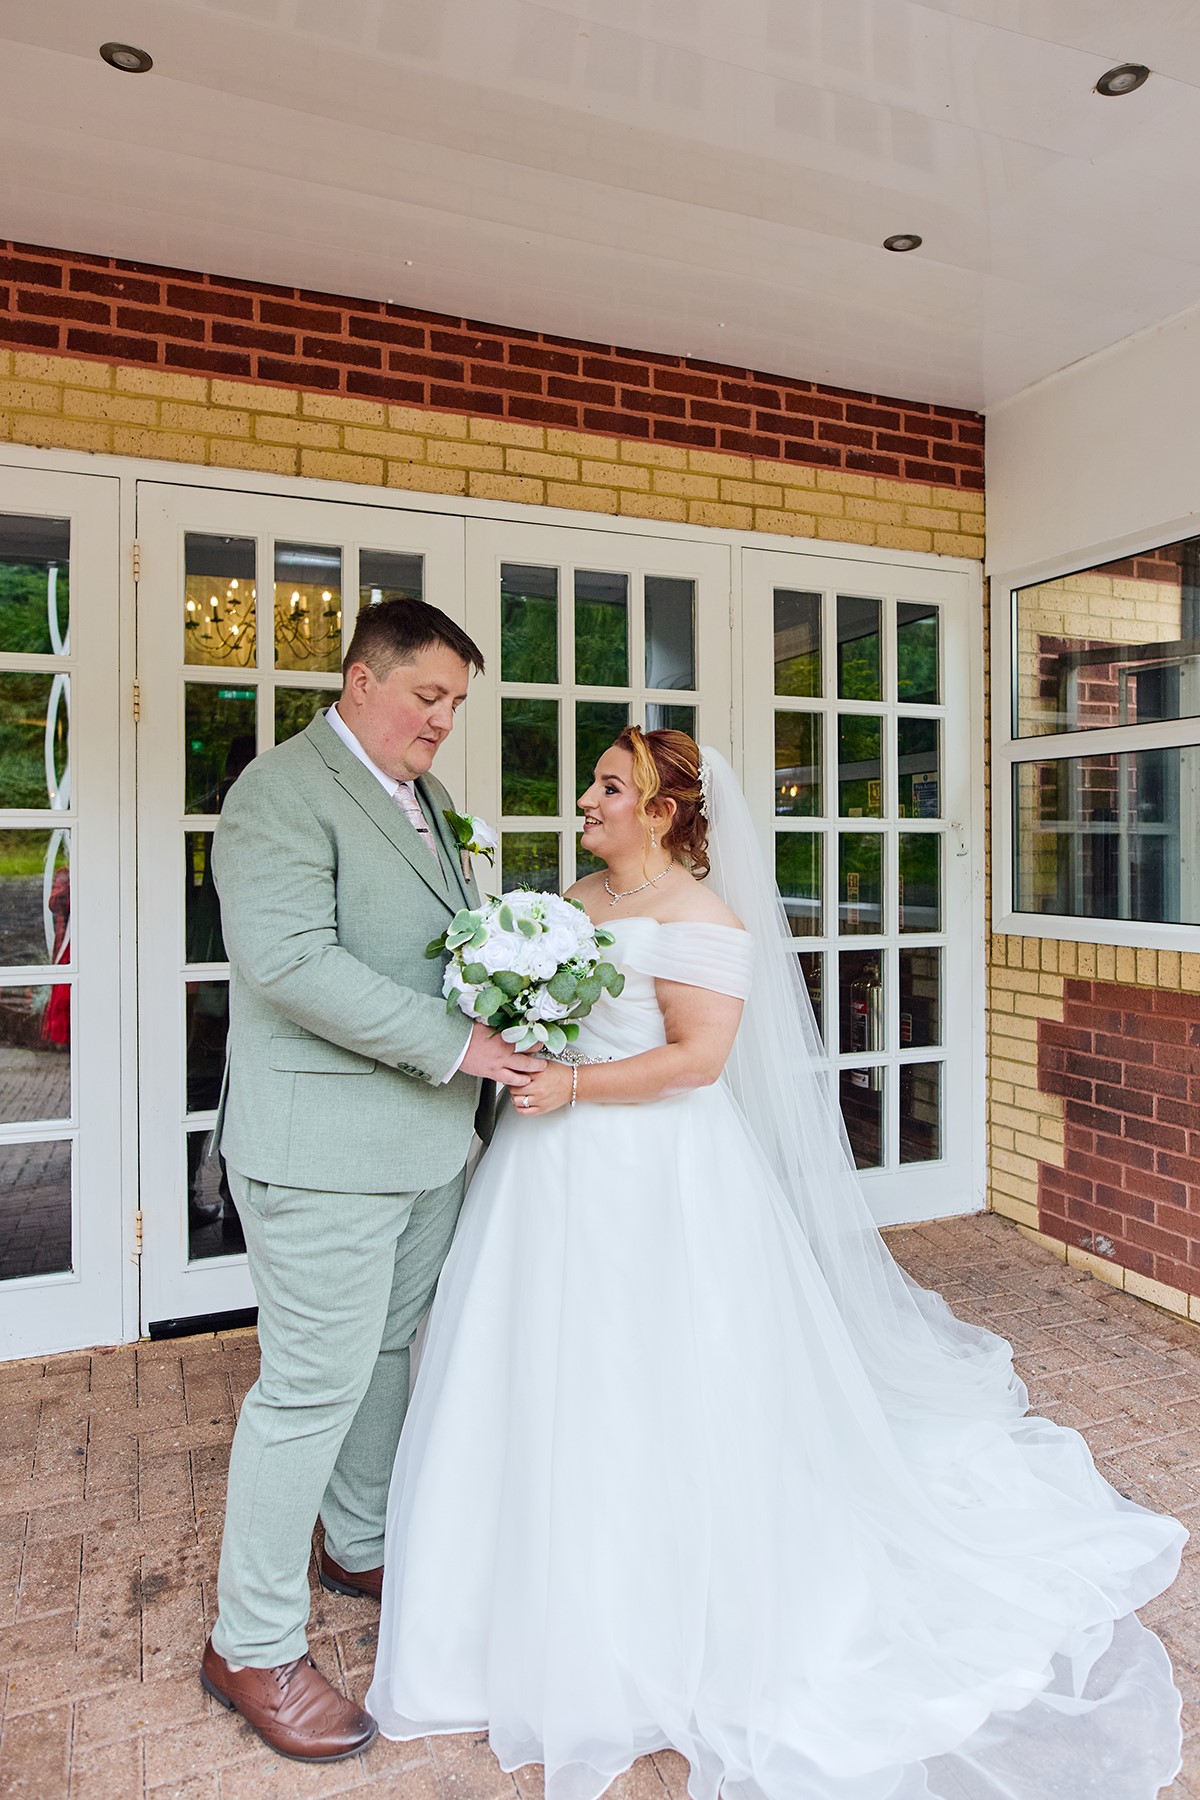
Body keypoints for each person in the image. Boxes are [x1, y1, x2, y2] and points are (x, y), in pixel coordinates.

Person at [366, 726, 1186, 1800]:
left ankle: (656, 1606)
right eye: (594, 785)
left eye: (610, 787)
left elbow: (697, 1061)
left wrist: (572, 1086)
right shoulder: (575, 897)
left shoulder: (705, 922)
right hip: (542, 1172)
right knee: (532, 1364)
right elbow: (557, 1015)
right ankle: (506, 1587)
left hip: (654, 1175)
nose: (588, 800)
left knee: (653, 1371)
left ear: (662, 812)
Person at [199, 599, 544, 1763]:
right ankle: (250, 1643)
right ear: (361, 681)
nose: (444, 721)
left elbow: (439, 943)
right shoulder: (280, 794)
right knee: (309, 1388)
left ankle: (357, 1542)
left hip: (426, 1146)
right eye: (428, 696)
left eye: (456, 703)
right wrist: (461, 1045)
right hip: (322, 1157)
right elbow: (289, 962)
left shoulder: (428, 799)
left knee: (391, 1353)